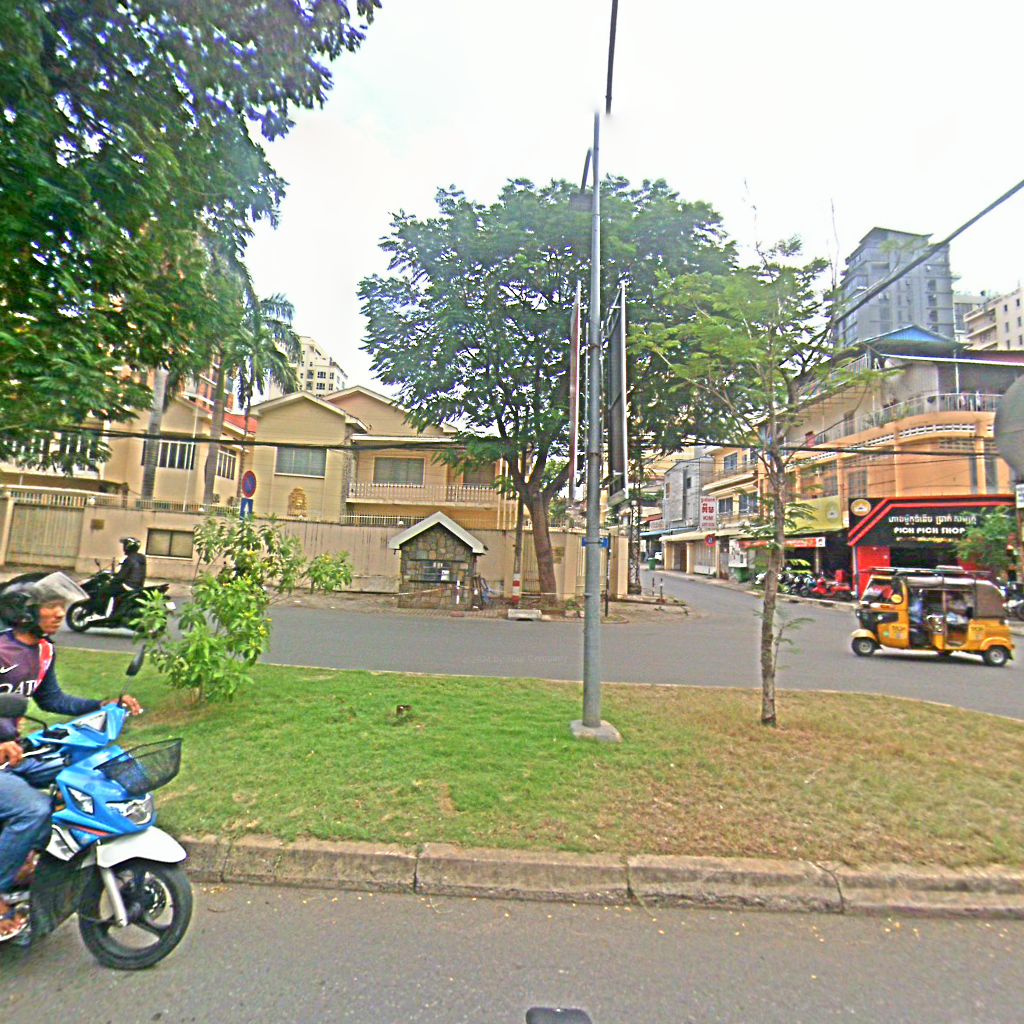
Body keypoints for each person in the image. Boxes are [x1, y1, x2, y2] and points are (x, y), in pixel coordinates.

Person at [0, 573, 142, 941]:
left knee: (75, 780)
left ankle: (24, 859)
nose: (59, 613)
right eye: (50, 606)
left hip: (14, 752)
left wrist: (102, 705)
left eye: (61, 606)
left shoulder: (44, 651)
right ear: (25, 611)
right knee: (32, 809)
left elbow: (52, 700)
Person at [109, 536, 147, 621]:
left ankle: (112, 614)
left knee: (108, 590)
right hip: (138, 586)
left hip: (128, 585)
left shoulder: (129, 559)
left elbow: (121, 576)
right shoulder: (141, 558)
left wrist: (112, 579)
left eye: (124, 545)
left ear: (127, 547)